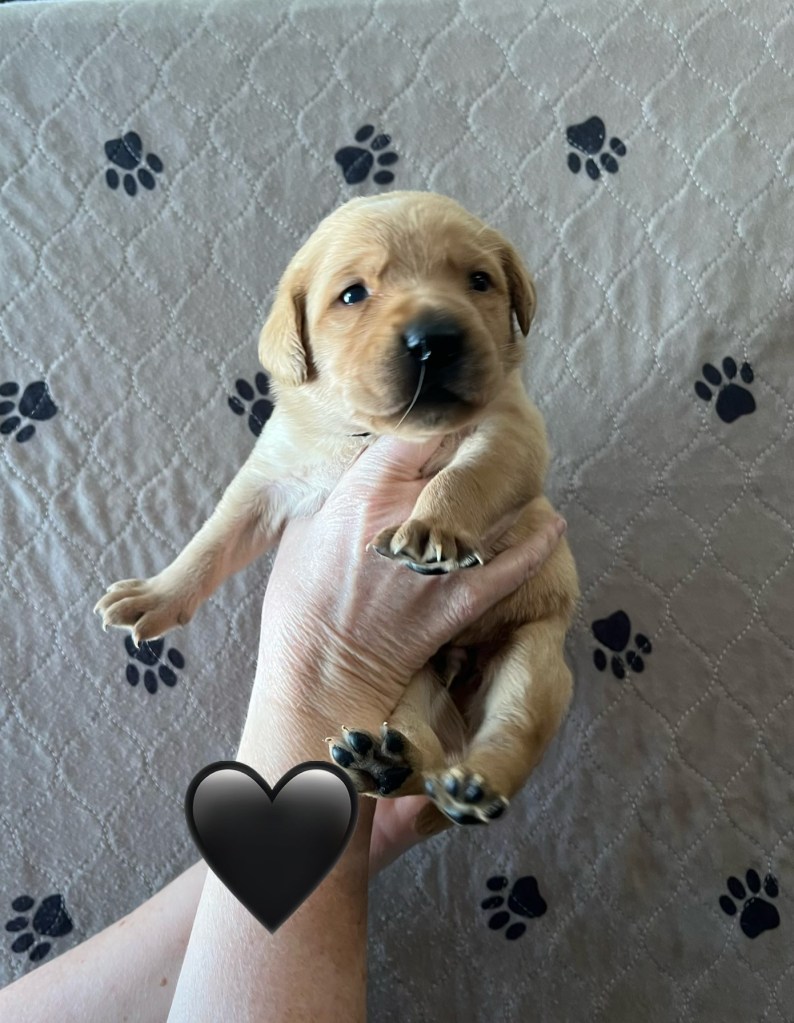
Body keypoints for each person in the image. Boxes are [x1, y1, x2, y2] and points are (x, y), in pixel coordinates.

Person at [0, 434, 566, 1023]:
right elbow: (262, 491)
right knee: (421, 727)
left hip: (506, 624)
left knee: (523, 684)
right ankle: (410, 758)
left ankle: (452, 759)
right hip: (410, 688)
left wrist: (363, 828)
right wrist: (330, 675)